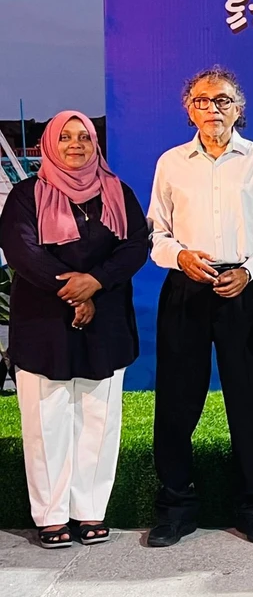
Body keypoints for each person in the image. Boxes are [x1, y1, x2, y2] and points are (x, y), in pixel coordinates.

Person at [146, 67, 253, 547]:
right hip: (186, 287)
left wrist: (250, 270)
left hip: (243, 290)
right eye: (202, 101)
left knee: (250, 401)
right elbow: (156, 233)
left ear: (238, 108)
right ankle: (175, 507)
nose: (212, 109)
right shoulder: (171, 163)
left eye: (222, 100)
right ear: (189, 110)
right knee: (176, 400)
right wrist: (180, 256)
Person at [0, 112, 148, 548]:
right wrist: (74, 292)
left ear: (95, 144)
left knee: (98, 419)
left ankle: (90, 511)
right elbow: (21, 250)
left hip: (106, 321)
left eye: (84, 136)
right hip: (44, 322)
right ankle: (50, 515)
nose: (75, 144)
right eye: (64, 137)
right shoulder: (26, 195)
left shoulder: (118, 191)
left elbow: (135, 246)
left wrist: (95, 283)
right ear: (50, 144)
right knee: (46, 419)